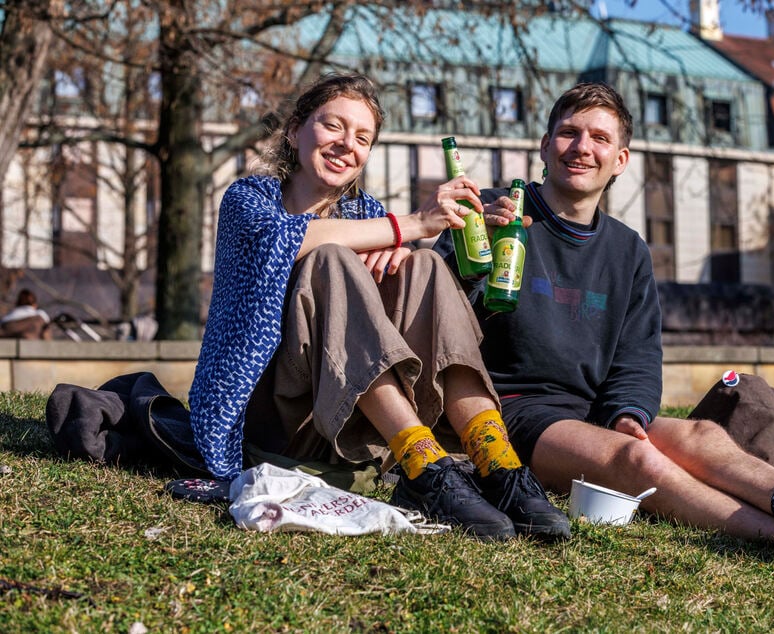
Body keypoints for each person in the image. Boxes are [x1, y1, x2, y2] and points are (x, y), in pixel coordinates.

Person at [435, 82, 774, 564]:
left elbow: (638, 354)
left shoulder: (627, 249)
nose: (582, 148)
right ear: (545, 146)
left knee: (702, 437)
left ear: (622, 159)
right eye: (568, 133)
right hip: (510, 410)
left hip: (589, 407)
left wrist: (628, 413)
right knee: (637, 460)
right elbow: (436, 313)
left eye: (600, 138)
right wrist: (472, 251)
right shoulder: (490, 213)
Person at [188, 73, 569, 541]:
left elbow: (416, 303)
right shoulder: (249, 198)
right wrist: (411, 222)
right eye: (333, 126)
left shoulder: (365, 213)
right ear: (294, 130)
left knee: (424, 265)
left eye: (362, 137)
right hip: (268, 419)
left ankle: (497, 462)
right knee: (330, 259)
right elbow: (291, 241)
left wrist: (453, 247)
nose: (346, 144)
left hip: (347, 421)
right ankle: (423, 466)